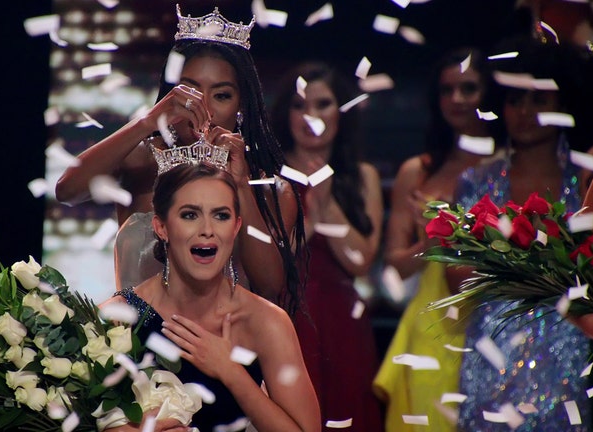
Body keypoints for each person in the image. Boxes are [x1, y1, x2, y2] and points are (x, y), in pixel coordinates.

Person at [55, 5, 306, 314]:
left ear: (241, 104)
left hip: (221, 351)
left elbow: (270, 287)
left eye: (222, 95)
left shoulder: (268, 188)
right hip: (135, 352)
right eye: (189, 91)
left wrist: (240, 184)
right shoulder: (142, 162)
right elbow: (66, 191)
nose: (203, 108)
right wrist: (147, 121)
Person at [100, 161, 321, 431]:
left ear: (236, 226)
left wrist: (232, 373)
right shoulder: (117, 319)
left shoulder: (266, 322)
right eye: (190, 215)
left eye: (221, 216)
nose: (207, 229)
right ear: (162, 227)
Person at [452, 36, 593, 431]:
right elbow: (455, 277)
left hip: (566, 345)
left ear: (563, 104)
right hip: (491, 348)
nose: (525, 112)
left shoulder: (586, 180)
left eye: (539, 100)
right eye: (515, 100)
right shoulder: (475, 182)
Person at [372, 47, 503, 432]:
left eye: (469, 88)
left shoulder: (510, 166)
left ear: (488, 93)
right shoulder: (418, 171)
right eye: (447, 90)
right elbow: (394, 264)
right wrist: (437, 238)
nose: (457, 100)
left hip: (497, 319)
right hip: (432, 323)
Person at [270, 61, 384, 431]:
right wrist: (309, 219)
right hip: (283, 315)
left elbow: (361, 260)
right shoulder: (266, 174)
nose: (311, 116)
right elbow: (267, 260)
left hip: (342, 320)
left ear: (342, 111)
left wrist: (325, 201)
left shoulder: (361, 175)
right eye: (299, 105)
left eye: (323, 104)